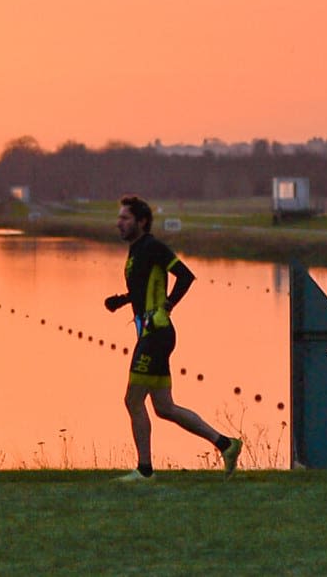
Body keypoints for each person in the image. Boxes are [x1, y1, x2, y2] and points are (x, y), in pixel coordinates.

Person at [104, 193, 241, 478]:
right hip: (152, 334)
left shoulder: (152, 246)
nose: (119, 223)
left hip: (157, 334)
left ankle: (144, 471)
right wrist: (123, 300)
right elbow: (143, 288)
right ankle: (226, 444)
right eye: (119, 218)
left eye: (125, 218)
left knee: (132, 400)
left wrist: (167, 305)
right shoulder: (136, 249)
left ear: (141, 222)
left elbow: (185, 275)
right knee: (164, 407)